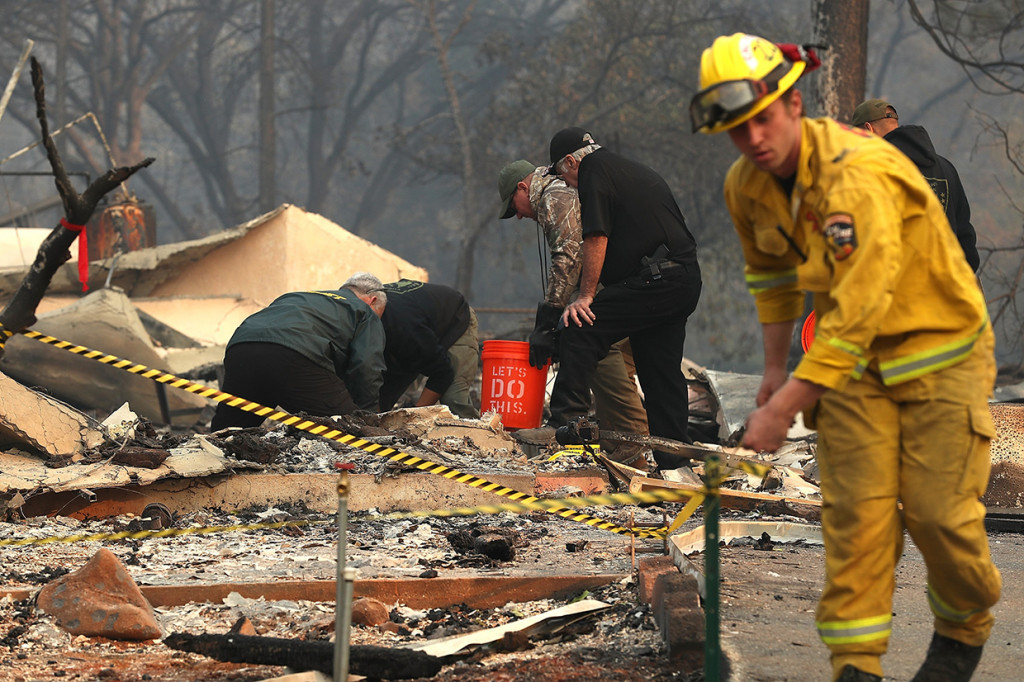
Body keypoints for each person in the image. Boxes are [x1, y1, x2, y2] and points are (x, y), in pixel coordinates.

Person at [691, 33, 999, 682]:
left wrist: (783, 410)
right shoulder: (747, 184)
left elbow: (859, 312)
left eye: (762, 122)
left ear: (794, 104)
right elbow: (771, 277)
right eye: (736, 132)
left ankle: (960, 633)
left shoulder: (859, 173)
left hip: (938, 356)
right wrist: (773, 373)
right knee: (856, 522)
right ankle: (856, 668)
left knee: (938, 515)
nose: (753, 142)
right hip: (854, 372)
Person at [513, 129, 702, 471]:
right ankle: (674, 462)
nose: (566, 185)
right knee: (659, 372)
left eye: (563, 176)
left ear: (571, 161)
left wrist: (584, 297)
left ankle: (565, 428)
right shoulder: (626, 168)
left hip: (655, 280)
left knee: (579, 326)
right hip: (681, 279)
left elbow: (595, 235)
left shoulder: (593, 172)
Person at [496, 159, 650, 448]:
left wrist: (547, 320)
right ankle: (620, 447)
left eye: (512, 206)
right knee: (619, 369)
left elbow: (568, 258)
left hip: (618, 287)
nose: (517, 215)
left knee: (601, 356)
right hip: (637, 283)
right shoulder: (565, 188)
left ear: (523, 187)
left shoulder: (555, 195)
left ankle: (632, 449)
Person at [211, 272, 387, 430]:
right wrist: (367, 416)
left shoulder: (297, 296)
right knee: (349, 428)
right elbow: (367, 366)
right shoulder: (364, 311)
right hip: (294, 355)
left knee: (229, 430)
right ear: (372, 300)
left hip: (241, 346)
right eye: (380, 313)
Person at [851, 98, 980, 271]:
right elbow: (965, 236)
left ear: (868, 129)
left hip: (899, 286)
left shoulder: (877, 169)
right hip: (946, 285)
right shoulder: (946, 169)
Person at [378, 278, 480, 419]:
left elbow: (442, 373)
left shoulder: (406, 329)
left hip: (453, 319)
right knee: (379, 400)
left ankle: (480, 435)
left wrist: (417, 415)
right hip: (416, 319)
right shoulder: (360, 324)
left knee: (454, 402)